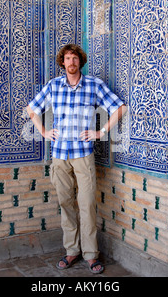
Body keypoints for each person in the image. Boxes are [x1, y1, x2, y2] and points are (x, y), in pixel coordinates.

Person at [26, 44, 127, 274]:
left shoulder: (93, 85)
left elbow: (120, 108)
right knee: (66, 204)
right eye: (67, 58)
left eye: (75, 58)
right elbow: (32, 109)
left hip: (83, 156)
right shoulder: (53, 86)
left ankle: (91, 255)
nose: (71, 62)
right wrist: (43, 132)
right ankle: (72, 251)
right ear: (62, 62)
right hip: (60, 156)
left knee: (87, 204)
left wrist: (100, 133)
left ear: (81, 62)